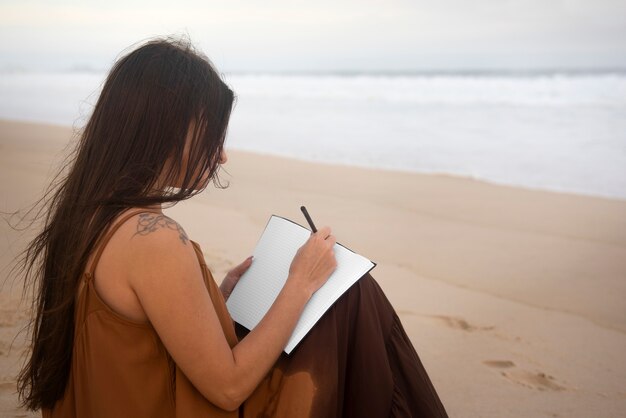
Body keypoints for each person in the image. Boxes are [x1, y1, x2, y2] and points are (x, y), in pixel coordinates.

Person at [13, 36, 448, 417]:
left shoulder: (90, 215)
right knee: (350, 295)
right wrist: (299, 283)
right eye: (212, 135)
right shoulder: (154, 240)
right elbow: (227, 389)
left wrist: (214, 300)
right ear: (168, 130)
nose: (220, 155)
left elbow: (135, 339)